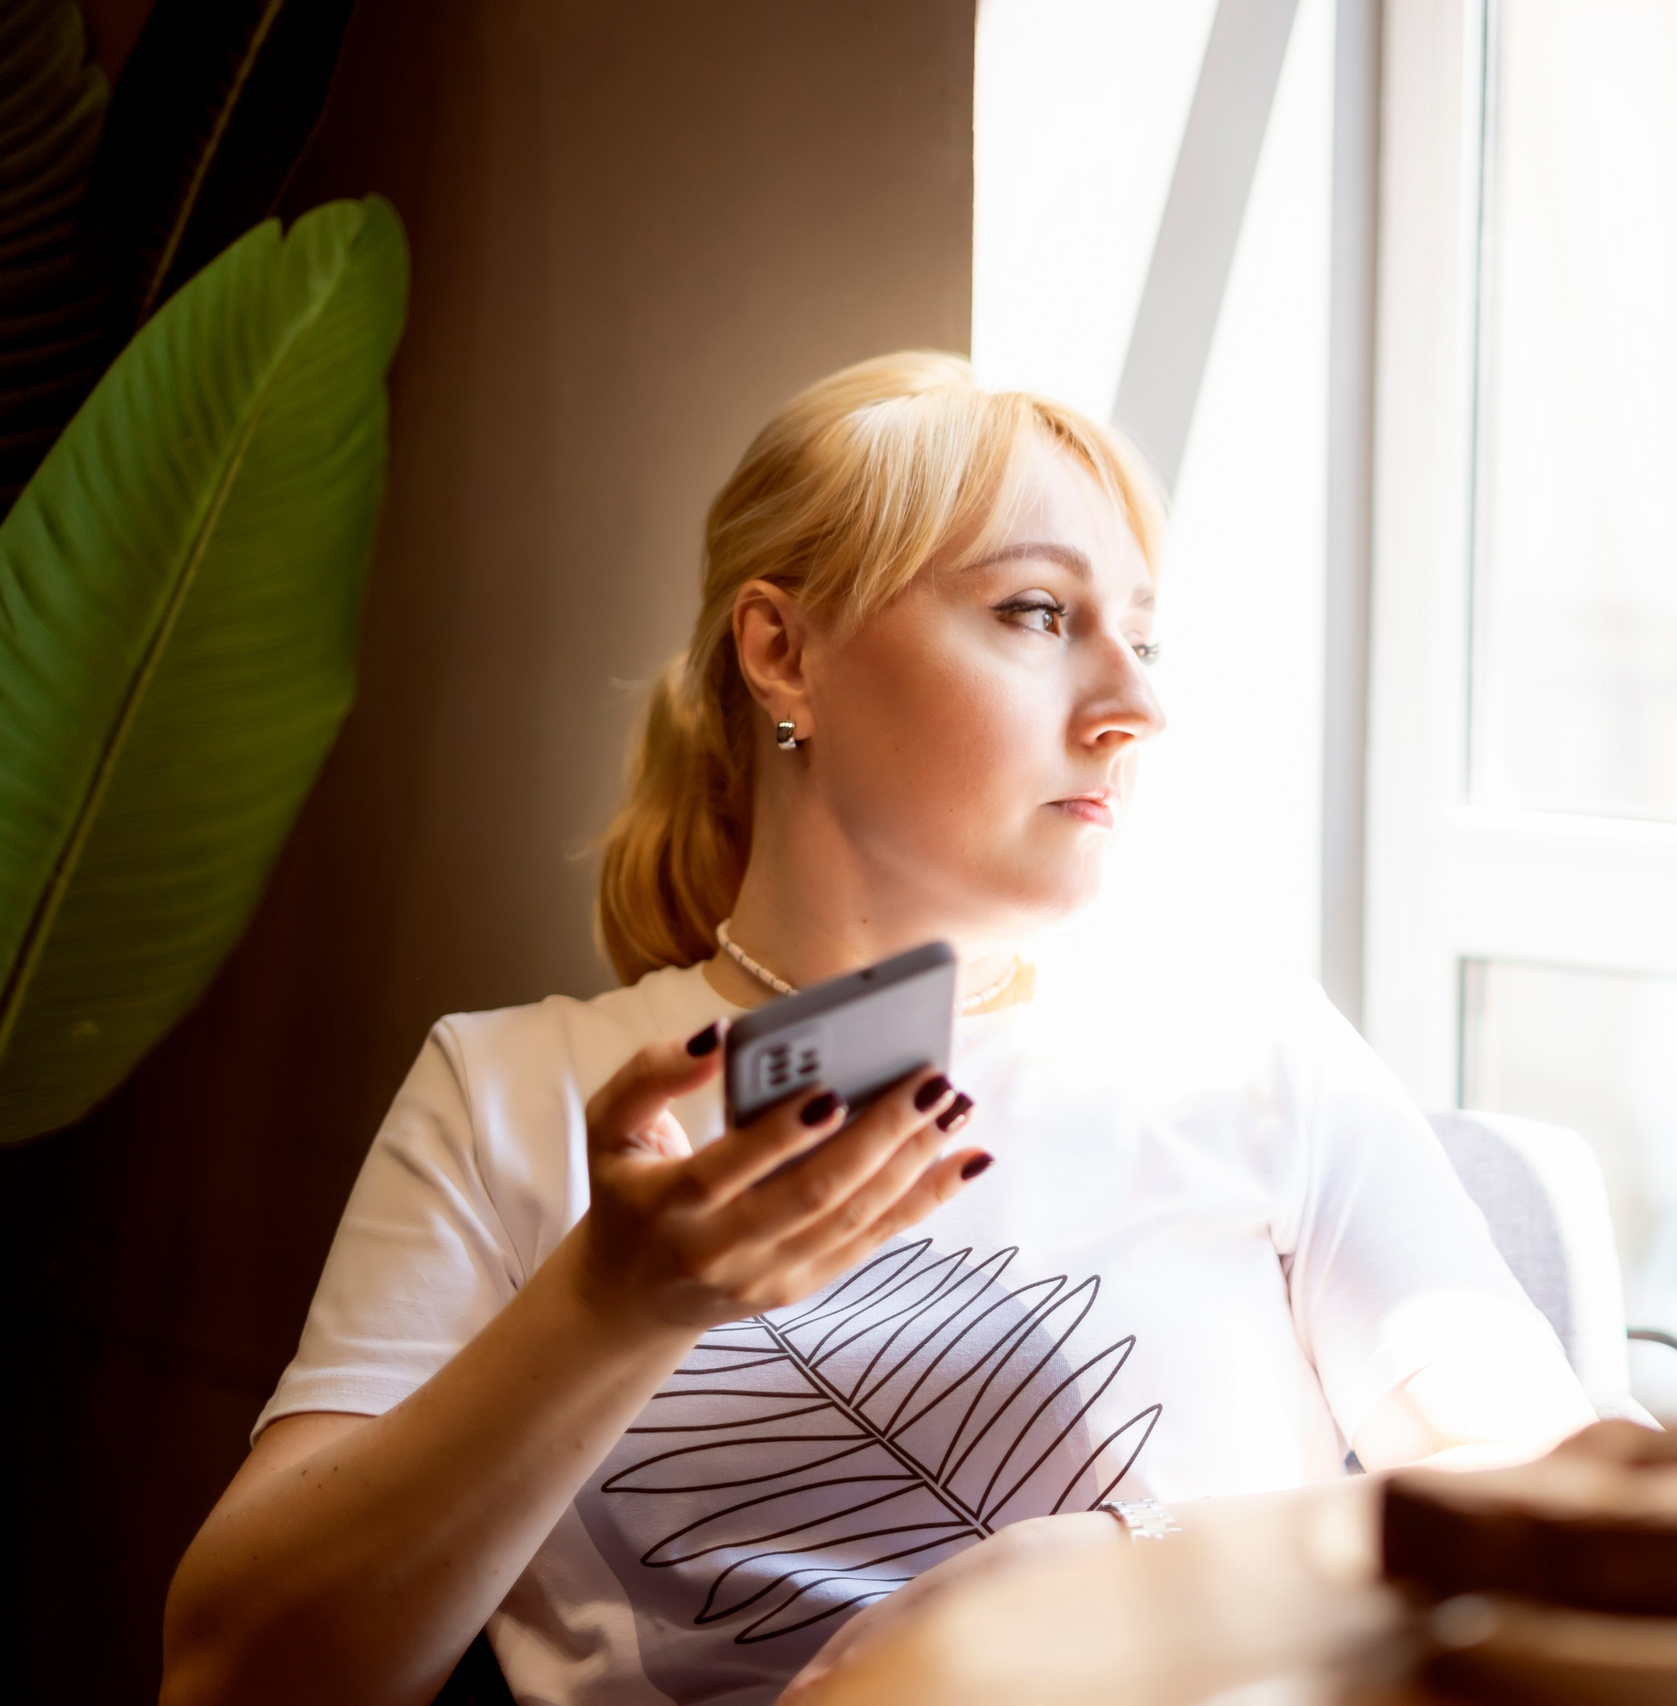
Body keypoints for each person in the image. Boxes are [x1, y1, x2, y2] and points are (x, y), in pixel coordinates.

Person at [161, 352, 1596, 1706]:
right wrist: (610, 1307)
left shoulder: (1249, 1053)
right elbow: (231, 1671)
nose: (1135, 704)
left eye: (1144, 637)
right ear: (783, 651)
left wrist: (1112, 1568)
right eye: (1039, 613)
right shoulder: (507, 1095)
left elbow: (1576, 1491)